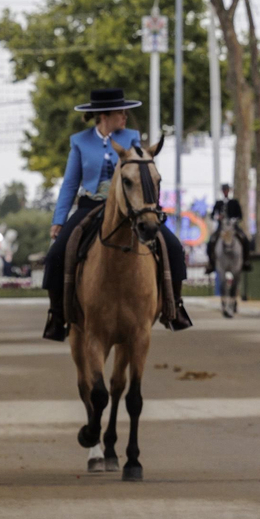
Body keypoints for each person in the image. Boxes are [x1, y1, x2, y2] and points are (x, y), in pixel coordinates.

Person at [43, 88, 190, 341]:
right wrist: (59, 220)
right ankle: (57, 315)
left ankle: (173, 307)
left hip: (128, 210)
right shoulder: (79, 142)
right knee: (56, 255)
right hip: (90, 206)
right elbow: (70, 184)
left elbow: (143, 175)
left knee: (174, 247)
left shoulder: (131, 137)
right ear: (104, 116)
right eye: (120, 112)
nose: (125, 116)